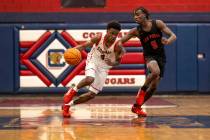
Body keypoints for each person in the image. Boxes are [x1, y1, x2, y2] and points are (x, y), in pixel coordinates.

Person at [118, 7, 176, 117]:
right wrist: (121, 49)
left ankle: (137, 106)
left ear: (145, 14)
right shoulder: (136, 31)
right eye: (134, 15)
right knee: (155, 72)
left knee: (154, 87)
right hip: (149, 56)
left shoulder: (157, 23)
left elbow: (173, 36)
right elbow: (120, 41)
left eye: (138, 14)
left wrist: (168, 41)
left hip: (161, 56)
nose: (135, 17)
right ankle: (142, 89)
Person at [62, 20, 125, 118]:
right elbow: (83, 46)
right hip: (93, 61)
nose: (113, 36)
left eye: (116, 35)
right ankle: (73, 90)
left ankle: (67, 106)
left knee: (91, 95)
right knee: (90, 79)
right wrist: (71, 51)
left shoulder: (118, 45)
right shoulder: (99, 37)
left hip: (104, 68)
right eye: (112, 33)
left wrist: (112, 63)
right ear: (107, 31)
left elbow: (118, 62)